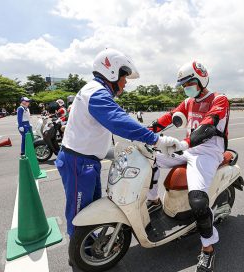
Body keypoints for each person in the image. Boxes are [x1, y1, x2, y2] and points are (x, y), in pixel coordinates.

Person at [55, 48, 178, 238]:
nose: (125, 82)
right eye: (124, 77)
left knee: (90, 208)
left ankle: (87, 244)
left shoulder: (95, 91)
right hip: (78, 162)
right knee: (79, 212)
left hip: (85, 161)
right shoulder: (96, 93)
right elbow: (118, 120)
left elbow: (109, 124)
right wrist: (156, 139)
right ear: (112, 72)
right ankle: (80, 253)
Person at [146, 61, 230, 272]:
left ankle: (208, 249)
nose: (186, 87)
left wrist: (185, 143)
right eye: (183, 84)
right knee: (150, 158)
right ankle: (153, 200)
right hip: (188, 149)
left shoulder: (219, 99)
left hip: (208, 153)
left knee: (198, 202)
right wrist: (144, 133)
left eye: (189, 82)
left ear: (201, 79)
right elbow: (167, 118)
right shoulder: (188, 102)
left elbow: (209, 125)